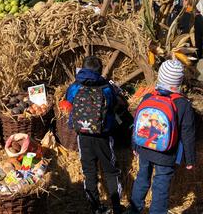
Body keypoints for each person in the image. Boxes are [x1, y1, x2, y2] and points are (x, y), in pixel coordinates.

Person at [129, 60, 196, 214]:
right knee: (160, 185)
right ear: (178, 81)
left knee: (141, 179)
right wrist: (190, 159)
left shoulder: (148, 97)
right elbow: (188, 133)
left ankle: (134, 210)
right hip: (166, 154)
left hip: (145, 148)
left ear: (160, 77)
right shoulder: (183, 104)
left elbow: (138, 123)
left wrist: (135, 145)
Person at [64, 56, 123, 214]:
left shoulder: (75, 86)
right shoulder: (106, 87)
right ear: (99, 70)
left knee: (89, 172)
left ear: (82, 68)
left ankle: (96, 208)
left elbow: (68, 101)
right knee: (110, 171)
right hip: (103, 135)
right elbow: (112, 104)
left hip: (83, 135)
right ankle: (117, 207)